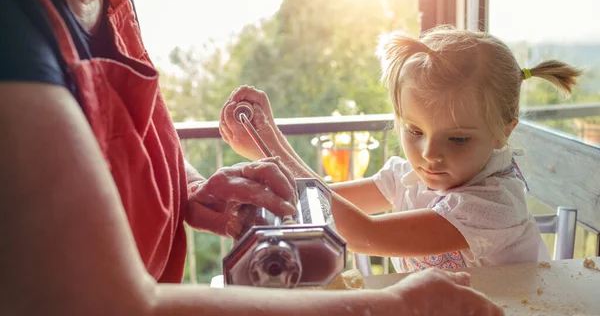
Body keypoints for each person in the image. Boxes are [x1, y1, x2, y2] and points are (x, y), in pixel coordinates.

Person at [0, 0, 504, 315]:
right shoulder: (12, 15)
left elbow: (117, 147)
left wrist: (191, 189)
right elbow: (99, 306)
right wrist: (388, 308)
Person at [220, 27, 582, 273]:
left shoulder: (494, 205)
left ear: (504, 131)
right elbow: (323, 206)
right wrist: (268, 147)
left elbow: (363, 234)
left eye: (457, 139)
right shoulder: (407, 176)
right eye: (414, 130)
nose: (429, 154)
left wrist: (272, 147)